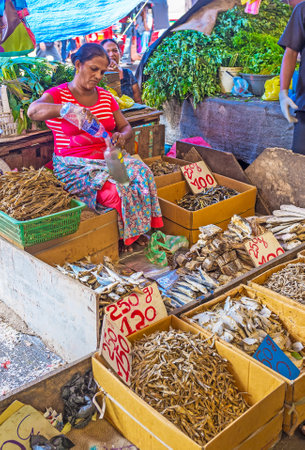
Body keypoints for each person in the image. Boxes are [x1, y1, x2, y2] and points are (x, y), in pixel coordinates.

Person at [27, 43, 163, 250]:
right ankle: (123, 237)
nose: (98, 75)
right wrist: (65, 109)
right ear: (78, 64)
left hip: (108, 157)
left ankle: (138, 230)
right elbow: (33, 111)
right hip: (75, 166)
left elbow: (125, 126)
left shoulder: (106, 97)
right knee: (118, 189)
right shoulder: (58, 95)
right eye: (94, 69)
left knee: (143, 173)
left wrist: (122, 136)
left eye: (102, 71)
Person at [279, 0, 305, 154]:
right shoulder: (303, 9)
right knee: (300, 166)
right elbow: (291, 52)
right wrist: (283, 92)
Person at [101, 38, 142, 103]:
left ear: (120, 53)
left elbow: (138, 101)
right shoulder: (97, 76)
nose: (111, 54)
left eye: (115, 50)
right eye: (107, 51)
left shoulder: (128, 73)